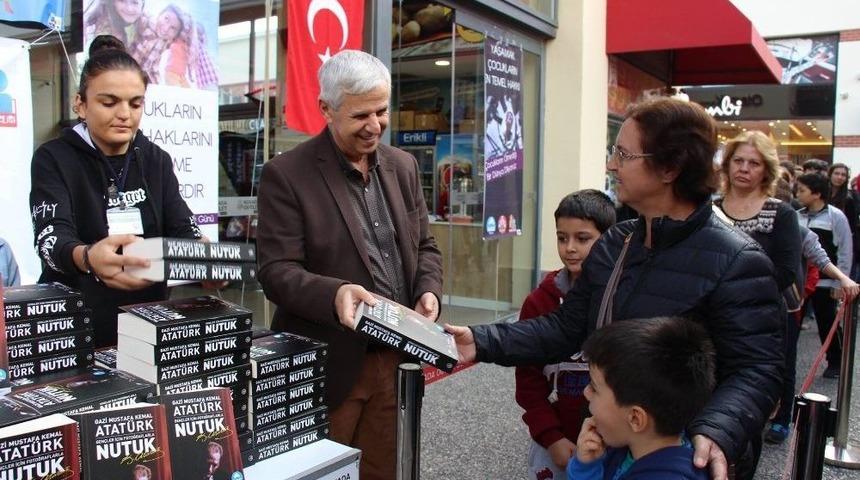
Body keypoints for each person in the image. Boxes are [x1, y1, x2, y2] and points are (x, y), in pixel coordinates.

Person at [446, 98, 783, 480]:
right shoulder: (617, 243)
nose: (611, 164)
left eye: (624, 153)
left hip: (675, 462)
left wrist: (719, 428)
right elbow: (565, 327)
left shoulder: (737, 260)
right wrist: (480, 341)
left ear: (670, 167)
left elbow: (758, 369)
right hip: (608, 448)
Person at [256, 49, 443, 480]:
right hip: (330, 361)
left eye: (381, 111)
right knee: (325, 471)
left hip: (396, 359)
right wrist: (335, 293)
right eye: (361, 115)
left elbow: (426, 246)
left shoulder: (404, 166)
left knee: (385, 469)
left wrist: (427, 290)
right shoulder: (286, 174)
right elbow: (276, 271)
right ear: (326, 108)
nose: (375, 125)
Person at [29, 38, 202, 348]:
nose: (125, 114)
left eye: (135, 103)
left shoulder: (156, 159)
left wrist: (205, 260)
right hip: (74, 329)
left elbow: (183, 228)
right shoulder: (53, 157)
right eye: (109, 102)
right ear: (80, 104)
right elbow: (51, 237)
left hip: (148, 327)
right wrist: (87, 257)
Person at [516, 189, 616, 479]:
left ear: (607, 239)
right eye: (562, 237)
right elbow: (528, 378)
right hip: (555, 441)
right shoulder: (538, 302)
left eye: (582, 238)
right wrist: (551, 436)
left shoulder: (621, 297)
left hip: (613, 442)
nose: (570, 247)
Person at [567, 317, 715, 480]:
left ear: (635, 419)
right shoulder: (627, 448)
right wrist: (588, 467)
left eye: (594, 388)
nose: (586, 393)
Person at [795, 172, 853, 379]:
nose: (798, 194)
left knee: (827, 322)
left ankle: (835, 362)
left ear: (817, 194)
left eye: (802, 190)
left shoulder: (835, 216)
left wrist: (841, 280)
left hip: (825, 280)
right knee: (793, 324)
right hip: (800, 281)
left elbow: (845, 250)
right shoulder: (796, 215)